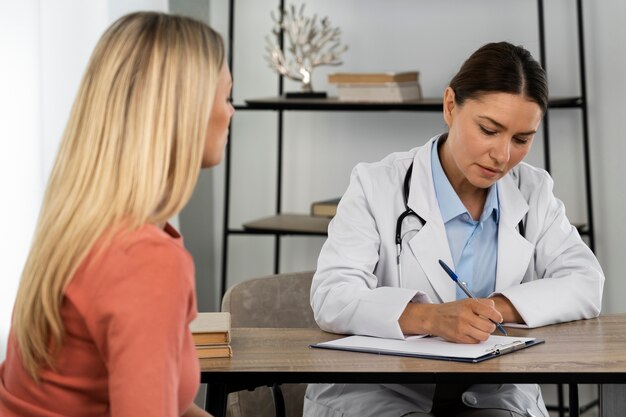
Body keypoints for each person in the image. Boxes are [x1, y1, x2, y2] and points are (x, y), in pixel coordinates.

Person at [304, 42, 604, 417]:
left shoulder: (533, 189)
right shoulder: (376, 184)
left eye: (521, 139)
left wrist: (493, 309)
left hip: (495, 391)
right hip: (380, 389)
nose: (502, 155)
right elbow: (332, 296)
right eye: (489, 129)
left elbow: (585, 282)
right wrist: (431, 318)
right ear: (450, 105)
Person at [0, 11, 234, 417]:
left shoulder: (80, 229)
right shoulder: (145, 261)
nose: (231, 113)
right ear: (183, 113)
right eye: (226, 97)